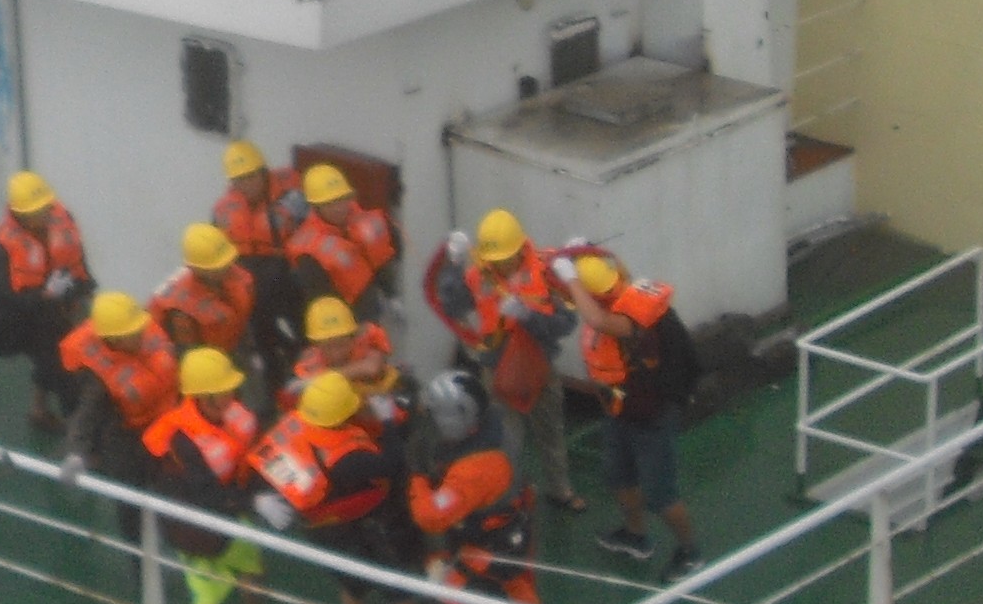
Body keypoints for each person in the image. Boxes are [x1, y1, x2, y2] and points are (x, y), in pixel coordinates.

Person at [396, 370, 566, 604]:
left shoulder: (475, 468)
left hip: (485, 547)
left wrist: (417, 480)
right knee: (517, 590)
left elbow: (431, 515)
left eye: (437, 415)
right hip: (512, 531)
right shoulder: (496, 422)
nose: (431, 420)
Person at [138, 347, 292, 604]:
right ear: (203, 396)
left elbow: (248, 456)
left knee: (253, 569)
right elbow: (203, 494)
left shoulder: (231, 415)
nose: (231, 395)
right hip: (195, 532)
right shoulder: (181, 442)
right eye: (223, 390)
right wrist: (254, 502)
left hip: (229, 516)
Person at [253, 371, 421, 604]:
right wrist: (388, 420)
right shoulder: (348, 459)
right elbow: (394, 464)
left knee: (351, 583)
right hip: (360, 527)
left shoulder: (298, 427)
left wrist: (257, 499)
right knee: (398, 590)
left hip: (321, 530)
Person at [423, 208, 584, 514]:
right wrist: (452, 267)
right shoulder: (477, 274)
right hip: (497, 372)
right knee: (505, 439)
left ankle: (560, 489)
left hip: (540, 367)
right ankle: (508, 498)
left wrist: (529, 317)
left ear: (520, 248)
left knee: (550, 430)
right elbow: (453, 306)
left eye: (504, 258)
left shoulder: (545, 273)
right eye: (493, 260)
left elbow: (566, 324)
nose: (499, 265)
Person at [555, 250, 705, 578]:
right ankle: (636, 536)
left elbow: (598, 321)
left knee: (660, 493)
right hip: (619, 408)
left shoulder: (630, 320)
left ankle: (690, 552)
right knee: (618, 475)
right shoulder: (620, 290)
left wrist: (570, 277)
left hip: (651, 416)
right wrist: (585, 252)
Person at [0, 170, 93, 433]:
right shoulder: (1, 251)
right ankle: (79, 433)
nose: (44, 215)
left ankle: (38, 410)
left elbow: (76, 256)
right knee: (64, 371)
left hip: (57, 308)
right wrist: (42, 297)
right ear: (18, 214)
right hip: (28, 321)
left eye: (45, 208)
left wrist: (83, 286)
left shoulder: (61, 220)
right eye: (36, 212)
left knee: (50, 360)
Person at [57, 289, 178, 517]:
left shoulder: (146, 333)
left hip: (169, 419)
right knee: (129, 493)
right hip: (129, 435)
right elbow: (86, 415)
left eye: (140, 328)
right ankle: (134, 545)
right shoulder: (98, 375)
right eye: (133, 333)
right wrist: (76, 453)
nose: (141, 335)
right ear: (112, 339)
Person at [210, 141, 302, 378]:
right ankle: (273, 379)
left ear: (263, 172)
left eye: (252, 177)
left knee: (302, 328)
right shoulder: (224, 211)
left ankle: (301, 359)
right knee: (258, 327)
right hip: (248, 276)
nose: (247, 185)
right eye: (240, 180)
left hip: (286, 273)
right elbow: (215, 247)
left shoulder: (292, 199)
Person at [281, 163, 398, 315]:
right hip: (345, 318)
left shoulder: (365, 222)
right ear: (315, 206)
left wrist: (392, 295)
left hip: (373, 304)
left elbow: (380, 259)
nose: (339, 207)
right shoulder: (308, 252)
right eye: (329, 203)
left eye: (342, 199)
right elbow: (320, 301)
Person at [153, 223, 257, 372]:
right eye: (216, 267)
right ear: (197, 269)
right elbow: (190, 356)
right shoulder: (181, 313)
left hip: (237, 346)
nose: (225, 268)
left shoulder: (236, 277)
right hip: (206, 366)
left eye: (226, 262)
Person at [283, 294, 399, 415]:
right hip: (341, 416)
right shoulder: (309, 359)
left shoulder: (368, 339)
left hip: (381, 409)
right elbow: (296, 391)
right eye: (328, 346)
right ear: (316, 344)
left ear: (353, 335)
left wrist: (320, 379)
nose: (336, 352)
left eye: (341, 344)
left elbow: (372, 368)